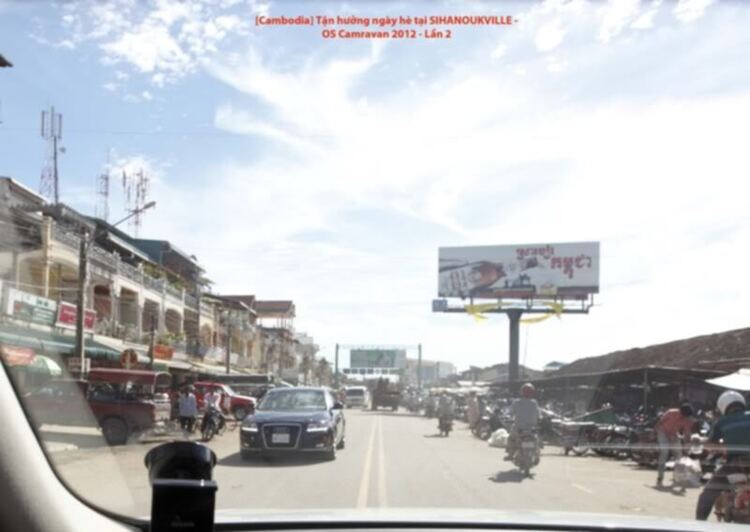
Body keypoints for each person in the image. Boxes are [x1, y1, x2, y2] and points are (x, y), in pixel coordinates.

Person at [696, 390, 750, 520]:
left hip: (736, 464)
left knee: (707, 494)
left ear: (723, 407)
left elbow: (710, 445)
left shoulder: (722, 422)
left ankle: (698, 524)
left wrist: (722, 448)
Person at [654, 402, 695, 487]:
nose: (685, 418)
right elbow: (660, 422)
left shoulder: (687, 420)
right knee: (664, 452)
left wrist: (687, 445)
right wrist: (655, 432)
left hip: (674, 434)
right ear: (681, 412)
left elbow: (687, 433)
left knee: (679, 455)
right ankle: (660, 477)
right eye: (684, 416)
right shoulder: (671, 412)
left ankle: (677, 478)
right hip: (663, 432)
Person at [505, 383, 540, 461]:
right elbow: (538, 414)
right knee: (536, 439)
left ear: (521, 392)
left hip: (519, 428)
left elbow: (510, 412)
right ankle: (537, 455)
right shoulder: (534, 402)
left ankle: (510, 454)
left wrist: (508, 418)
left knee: (511, 439)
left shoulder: (517, 402)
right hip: (531, 428)